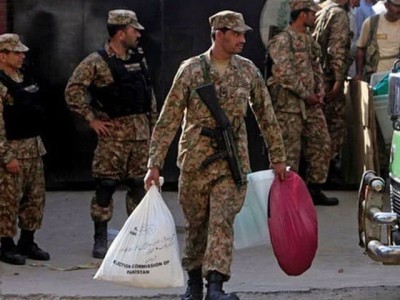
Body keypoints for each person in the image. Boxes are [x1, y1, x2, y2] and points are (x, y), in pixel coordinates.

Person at [144, 10, 286, 300]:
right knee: (196, 225)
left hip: (231, 165)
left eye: (244, 34)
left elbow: (266, 116)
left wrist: (278, 156)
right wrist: (154, 164)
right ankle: (194, 284)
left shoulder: (247, 71)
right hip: (195, 162)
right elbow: (168, 119)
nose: (243, 39)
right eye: (236, 34)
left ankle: (216, 286)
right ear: (219, 34)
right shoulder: (191, 70)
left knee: (221, 222)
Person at [65, 9, 158, 259]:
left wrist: (154, 126)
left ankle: (138, 237)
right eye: (133, 30)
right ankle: (100, 237)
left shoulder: (138, 58)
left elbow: (147, 94)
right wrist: (91, 119)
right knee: (105, 186)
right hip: (113, 136)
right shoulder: (96, 62)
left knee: (139, 187)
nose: (138, 34)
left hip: (139, 134)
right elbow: (72, 91)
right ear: (120, 33)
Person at [267, 0, 338, 206]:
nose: (315, 16)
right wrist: (305, 94)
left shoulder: (309, 40)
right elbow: (284, 73)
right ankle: (285, 198)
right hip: (289, 106)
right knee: (289, 152)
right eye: (312, 13)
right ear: (302, 14)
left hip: (311, 104)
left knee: (321, 144)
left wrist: (319, 92)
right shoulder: (283, 40)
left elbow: (316, 67)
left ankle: (314, 189)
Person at [0, 33, 50, 265]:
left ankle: (27, 241)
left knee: (35, 198)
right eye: (16, 52)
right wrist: (6, 156)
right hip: (11, 150)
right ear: (3, 55)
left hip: (33, 147)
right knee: (8, 200)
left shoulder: (24, 77)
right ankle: (6, 245)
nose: (22, 56)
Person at [312, 0, 353, 183]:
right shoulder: (339, 14)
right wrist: (339, 78)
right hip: (329, 79)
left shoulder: (321, 9)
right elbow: (336, 48)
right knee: (335, 125)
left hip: (318, 78)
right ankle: (328, 171)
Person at [355, 0, 400, 81]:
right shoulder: (371, 23)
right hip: (375, 77)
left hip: (397, 77)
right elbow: (361, 48)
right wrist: (359, 73)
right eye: (397, 6)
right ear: (386, 5)